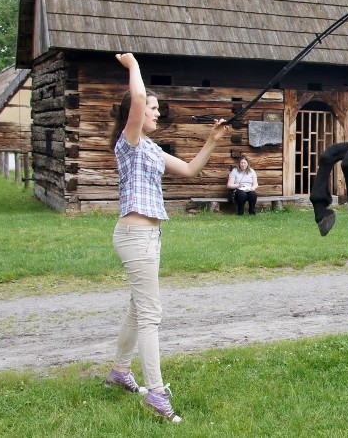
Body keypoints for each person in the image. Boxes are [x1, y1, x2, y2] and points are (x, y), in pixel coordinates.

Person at [104, 52, 228, 423]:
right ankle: (156, 394)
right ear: (136, 115)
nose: (157, 113)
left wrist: (213, 139)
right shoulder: (128, 142)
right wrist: (134, 66)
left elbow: (190, 169)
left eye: (157, 109)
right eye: (154, 108)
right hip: (134, 235)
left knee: (136, 309)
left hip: (149, 237)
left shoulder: (153, 149)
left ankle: (120, 373)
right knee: (151, 315)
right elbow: (138, 99)